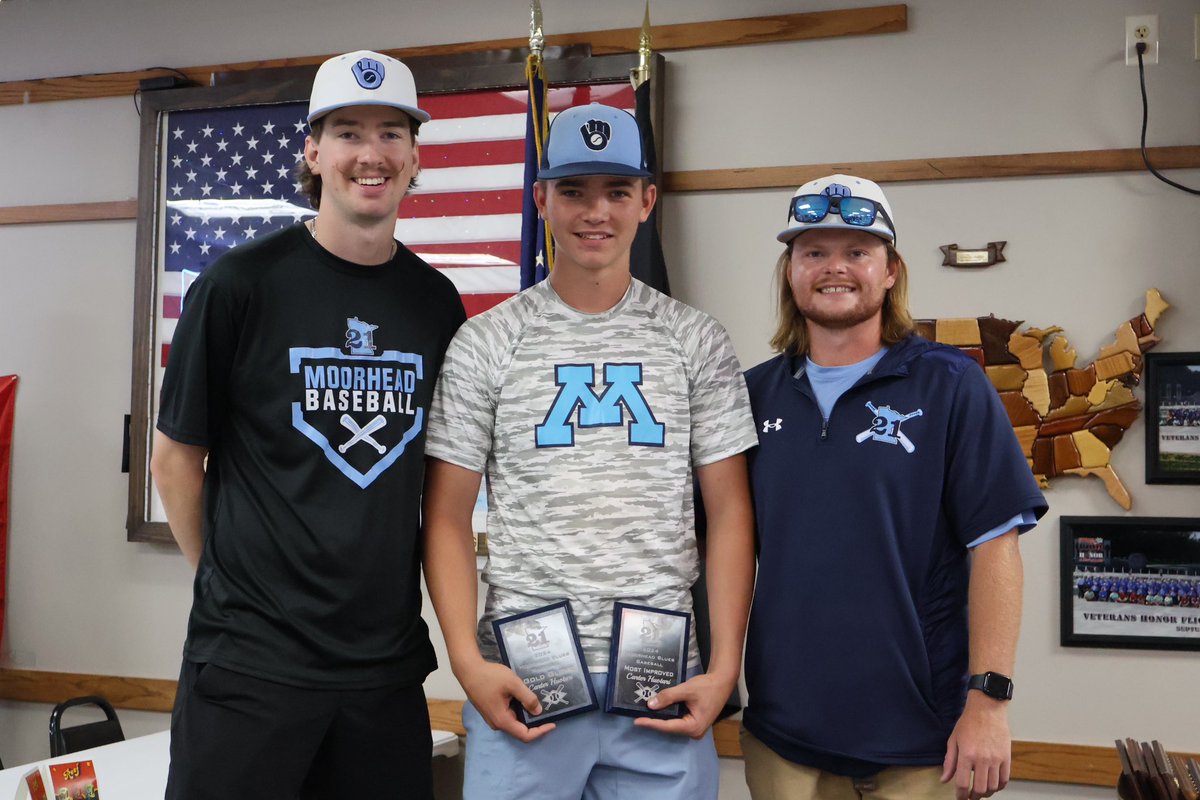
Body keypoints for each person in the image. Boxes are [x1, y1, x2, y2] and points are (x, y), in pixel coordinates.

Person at [150, 50, 466, 799]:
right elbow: (172, 460)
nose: (371, 154)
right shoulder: (239, 285)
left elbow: (440, 484)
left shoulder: (435, 303)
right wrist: (225, 584)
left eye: (392, 133)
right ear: (313, 151)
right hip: (249, 667)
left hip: (383, 673)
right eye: (349, 132)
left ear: (414, 156)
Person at [421, 102, 757, 800]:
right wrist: (464, 661)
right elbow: (447, 516)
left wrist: (726, 666)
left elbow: (728, 513)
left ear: (647, 200)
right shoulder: (486, 341)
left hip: (663, 687)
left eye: (616, 191)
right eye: (573, 190)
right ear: (541, 198)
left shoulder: (695, 339)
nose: (594, 211)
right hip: (524, 687)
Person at [741, 175, 1047, 800]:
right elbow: (719, 546)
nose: (835, 268)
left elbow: (996, 547)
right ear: (790, 270)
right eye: (813, 252)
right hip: (782, 733)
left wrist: (989, 702)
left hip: (921, 739)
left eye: (857, 251)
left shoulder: (950, 386)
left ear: (890, 271)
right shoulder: (752, 394)